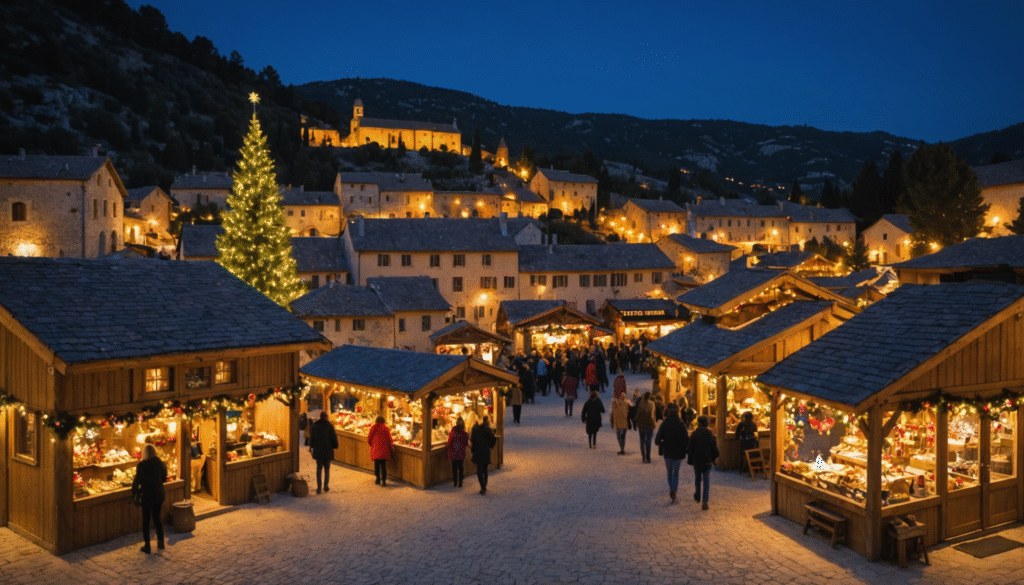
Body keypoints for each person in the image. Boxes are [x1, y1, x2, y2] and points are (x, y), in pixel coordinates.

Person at [132, 443, 167, 554]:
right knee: (157, 519)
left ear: (144, 453)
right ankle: (161, 543)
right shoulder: (160, 463)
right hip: (158, 494)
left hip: (147, 495)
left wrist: (134, 495)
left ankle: (147, 546)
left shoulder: (141, 465)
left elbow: (136, 482)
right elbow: (164, 478)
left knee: (146, 522)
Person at [654, 403, 689, 502]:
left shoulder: (665, 423)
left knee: (669, 472)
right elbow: (686, 439)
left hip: (668, 452)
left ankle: (672, 489)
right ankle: (674, 490)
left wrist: (662, 442)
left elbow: (657, 440)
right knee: (676, 473)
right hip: (679, 452)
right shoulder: (681, 423)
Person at [688, 415, 720, 510]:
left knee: (697, 479)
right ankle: (705, 502)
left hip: (697, 461)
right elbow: (715, 450)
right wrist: (712, 458)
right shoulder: (711, 434)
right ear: (707, 423)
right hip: (707, 461)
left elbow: (690, 448)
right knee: (706, 481)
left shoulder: (694, 434)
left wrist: (691, 459)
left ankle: (697, 494)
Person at [309, 411, 339, 494]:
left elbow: (311, 437)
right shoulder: (330, 426)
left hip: (318, 450)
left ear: (320, 416)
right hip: (328, 450)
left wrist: (311, 446)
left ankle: (319, 487)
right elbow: (334, 437)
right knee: (327, 469)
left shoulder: (314, 426)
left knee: (319, 469)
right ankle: (325, 485)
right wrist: (335, 445)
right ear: (326, 417)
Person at [470, 416, 496, 494]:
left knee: (479, 471)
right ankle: (484, 485)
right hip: (486, 452)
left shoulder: (476, 430)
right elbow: (493, 441)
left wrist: (473, 450)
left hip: (478, 452)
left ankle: (483, 486)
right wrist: (490, 446)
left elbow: (472, 440)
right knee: (485, 469)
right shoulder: (488, 431)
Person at [367, 416, 394, 487]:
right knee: (383, 466)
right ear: (383, 421)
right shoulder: (386, 428)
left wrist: (372, 445)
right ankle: (384, 481)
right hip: (384, 450)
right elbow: (390, 439)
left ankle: (378, 479)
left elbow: (369, 438)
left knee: (377, 465)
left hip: (376, 450)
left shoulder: (373, 428)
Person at [447, 417, 469, 488]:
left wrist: (449, 451)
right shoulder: (464, 433)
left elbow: (449, 442)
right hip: (461, 453)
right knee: (461, 467)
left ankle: (455, 481)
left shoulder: (453, 431)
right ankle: (460, 482)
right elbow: (466, 443)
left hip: (454, 453)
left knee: (454, 468)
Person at [635, 391, 656, 463]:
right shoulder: (652, 404)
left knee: (642, 440)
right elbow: (653, 415)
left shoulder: (641, 403)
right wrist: (654, 423)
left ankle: (643, 456)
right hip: (650, 424)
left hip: (641, 424)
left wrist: (635, 420)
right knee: (649, 441)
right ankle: (648, 457)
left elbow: (638, 413)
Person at [609, 390, 631, 455]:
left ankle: (622, 449)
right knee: (623, 437)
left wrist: (611, 420)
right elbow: (629, 412)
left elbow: (612, 412)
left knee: (618, 436)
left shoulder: (615, 402)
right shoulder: (627, 402)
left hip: (617, 421)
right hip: (624, 422)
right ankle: (622, 449)